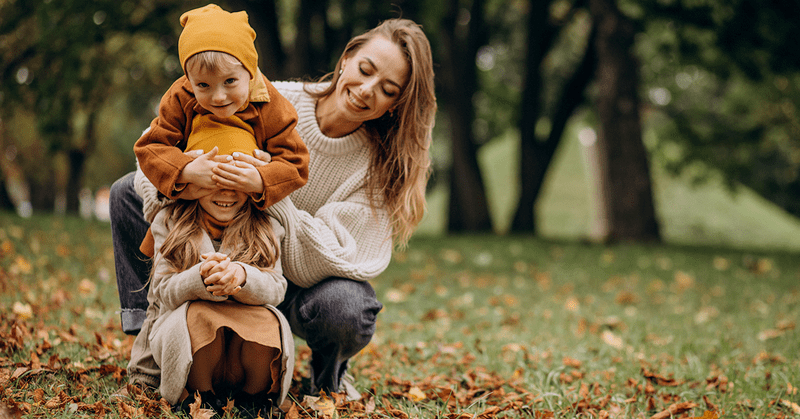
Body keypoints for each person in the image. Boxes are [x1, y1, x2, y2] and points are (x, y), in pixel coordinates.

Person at [111, 17, 437, 402]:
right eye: (365, 70)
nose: (367, 90)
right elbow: (148, 165)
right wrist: (187, 174)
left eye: (388, 89)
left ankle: (327, 378)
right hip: (211, 246)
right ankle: (150, 337)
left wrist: (266, 188)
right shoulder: (262, 95)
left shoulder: (380, 165)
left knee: (349, 305)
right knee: (125, 192)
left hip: (291, 282)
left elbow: (334, 258)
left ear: (397, 103)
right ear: (347, 59)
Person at [132, 120, 294, 418]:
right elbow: (163, 292)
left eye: (237, 183)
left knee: (269, 321)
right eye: (214, 181)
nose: (227, 193)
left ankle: (253, 399)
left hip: (241, 351)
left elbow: (277, 286)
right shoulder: (170, 222)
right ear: (194, 181)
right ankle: (200, 397)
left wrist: (242, 277)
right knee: (198, 316)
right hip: (199, 352)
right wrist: (199, 279)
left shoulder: (266, 225)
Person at [134, 3, 308, 218]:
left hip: (247, 208)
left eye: (230, 81)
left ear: (250, 71)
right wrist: (186, 170)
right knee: (127, 196)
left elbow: (295, 163)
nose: (218, 97)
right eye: (203, 85)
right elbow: (151, 147)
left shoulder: (270, 103)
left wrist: (260, 179)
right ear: (189, 80)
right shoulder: (181, 95)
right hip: (193, 204)